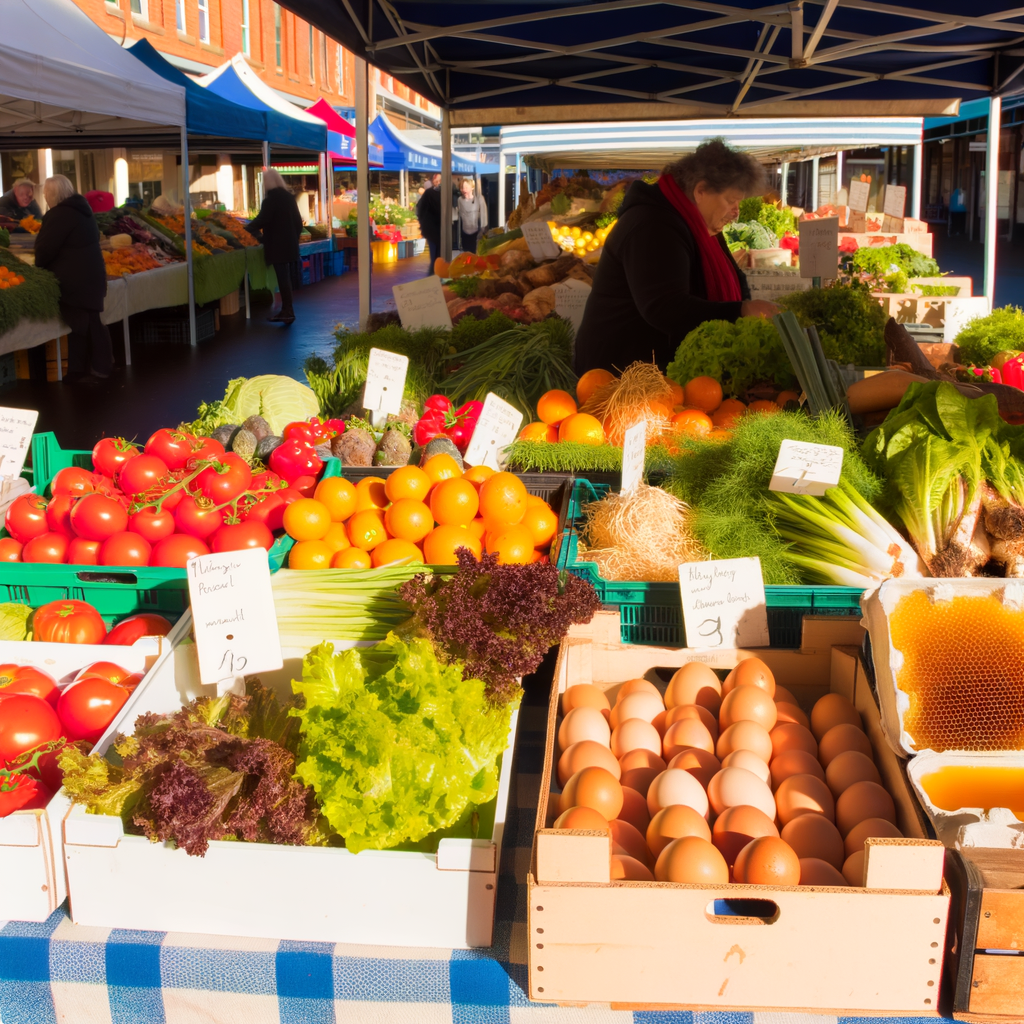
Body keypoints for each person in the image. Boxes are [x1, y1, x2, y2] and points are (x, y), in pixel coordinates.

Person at [574, 139, 780, 376]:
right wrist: (740, 311)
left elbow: (736, 277)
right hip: (619, 377)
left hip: (657, 372)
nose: (736, 212)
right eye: (730, 200)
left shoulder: (697, 223)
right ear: (700, 191)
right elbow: (665, 307)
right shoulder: (652, 225)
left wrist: (748, 310)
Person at [34, 175, 113, 384]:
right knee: (87, 321)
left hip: (73, 281)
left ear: (52, 194)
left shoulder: (59, 215)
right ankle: (84, 369)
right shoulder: (83, 210)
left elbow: (44, 249)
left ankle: (96, 367)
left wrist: (39, 267)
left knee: (84, 324)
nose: (43, 196)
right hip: (91, 277)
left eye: (45, 193)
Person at [248, 168, 303, 324]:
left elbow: (261, 220)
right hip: (290, 244)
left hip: (277, 246)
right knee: (286, 278)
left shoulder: (271, 200)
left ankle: (287, 311)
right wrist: (293, 239)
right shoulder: (289, 198)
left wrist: (251, 232)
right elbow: (298, 223)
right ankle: (287, 310)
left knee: (283, 278)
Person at [415, 173, 457, 274]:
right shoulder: (430, 194)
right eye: (436, 182)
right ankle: (434, 277)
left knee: (437, 257)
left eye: (440, 182)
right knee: (436, 257)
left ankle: (435, 276)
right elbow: (420, 210)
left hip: (437, 230)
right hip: (433, 230)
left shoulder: (445, 194)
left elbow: (419, 210)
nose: (438, 184)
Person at [457, 178, 487, 254]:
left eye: (466, 187)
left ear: (472, 188)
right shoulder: (460, 200)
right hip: (465, 233)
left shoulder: (479, 199)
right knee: (466, 255)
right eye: (461, 188)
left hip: (477, 233)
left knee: (476, 254)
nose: (463, 190)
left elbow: (484, 214)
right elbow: (459, 215)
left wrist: (483, 230)